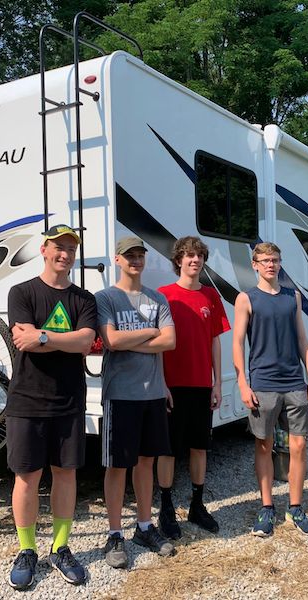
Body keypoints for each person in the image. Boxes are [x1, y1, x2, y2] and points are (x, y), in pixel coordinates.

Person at [5, 224, 97, 589]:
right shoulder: (22, 292)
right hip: (26, 399)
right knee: (27, 477)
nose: (65, 254)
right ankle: (27, 549)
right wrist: (65, 339)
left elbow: (86, 341)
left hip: (68, 400)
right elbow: (22, 341)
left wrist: (43, 336)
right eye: (59, 247)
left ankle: (60, 547)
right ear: (44, 250)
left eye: (71, 249)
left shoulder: (83, 299)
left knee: (65, 474)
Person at [96, 236, 177, 568]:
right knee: (117, 467)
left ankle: (144, 526)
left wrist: (133, 340)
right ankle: (115, 533)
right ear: (117, 259)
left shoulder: (157, 298)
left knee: (146, 463)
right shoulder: (106, 298)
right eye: (129, 255)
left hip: (153, 393)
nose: (136, 260)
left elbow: (170, 341)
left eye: (140, 255)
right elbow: (111, 340)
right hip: (120, 393)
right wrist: (150, 332)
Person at [232, 241, 308, 538]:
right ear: (255, 265)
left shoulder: (292, 297)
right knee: (264, 445)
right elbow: (237, 344)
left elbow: (302, 340)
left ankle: (295, 507)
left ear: (280, 263)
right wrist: (243, 383)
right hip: (263, 383)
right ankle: (266, 507)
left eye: (275, 260)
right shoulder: (246, 298)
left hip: (294, 381)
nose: (271, 265)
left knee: (299, 445)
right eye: (265, 260)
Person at [156, 236, 231, 539]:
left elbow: (215, 341)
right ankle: (165, 508)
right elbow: (157, 344)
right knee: (168, 449)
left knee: (200, 447)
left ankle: (197, 506)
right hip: (172, 385)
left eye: (199, 256)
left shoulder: (210, 296)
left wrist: (217, 383)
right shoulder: (164, 295)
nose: (194, 260)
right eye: (188, 255)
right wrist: (161, 383)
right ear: (178, 261)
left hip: (201, 384)